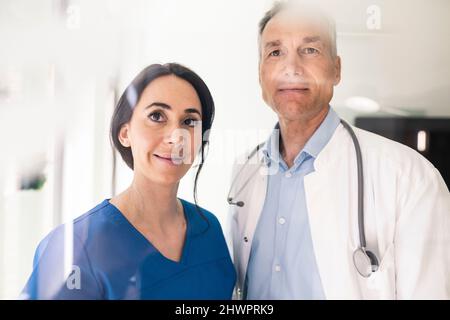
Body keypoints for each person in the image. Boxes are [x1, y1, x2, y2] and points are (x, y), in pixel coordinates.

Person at [228, 1, 450, 299]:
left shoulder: (409, 177)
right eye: (275, 52)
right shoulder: (245, 171)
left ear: (336, 69)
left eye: (310, 50)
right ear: (260, 74)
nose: (291, 68)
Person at [22, 63, 236, 299]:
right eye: (157, 116)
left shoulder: (209, 229)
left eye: (189, 122)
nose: (176, 137)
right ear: (125, 133)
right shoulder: (74, 248)